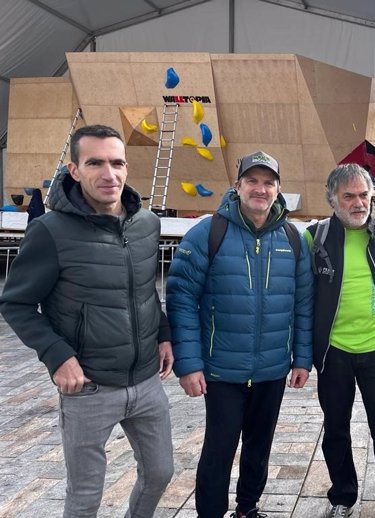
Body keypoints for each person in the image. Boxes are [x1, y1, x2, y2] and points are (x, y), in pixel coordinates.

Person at [0, 124, 175, 517]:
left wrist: (164, 334)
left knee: (161, 471)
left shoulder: (146, 224)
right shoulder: (50, 231)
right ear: (74, 170)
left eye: (116, 162)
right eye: (95, 162)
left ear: (127, 168)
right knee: (85, 494)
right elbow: (16, 303)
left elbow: (145, 290)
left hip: (146, 380)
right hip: (90, 387)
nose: (108, 174)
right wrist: (58, 356)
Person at [165, 150, 313, 518]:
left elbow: (303, 304)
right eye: (252, 181)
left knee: (259, 448)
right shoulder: (208, 233)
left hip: (273, 368)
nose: (260, 189)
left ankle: (247, 509)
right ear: (238, 186)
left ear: (278, 190)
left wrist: (302, 358)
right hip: (221, 370)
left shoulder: (293, 239)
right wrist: (189, 364)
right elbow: (181, 300)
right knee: (219, 450)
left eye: (268, 183)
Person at [307, 163, 375, 518]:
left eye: (364, 194)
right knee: (336, 428)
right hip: (333, 353)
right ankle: (342, 495)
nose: (358, 202)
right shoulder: (315, 237)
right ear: (332, 199)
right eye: (349, 196)